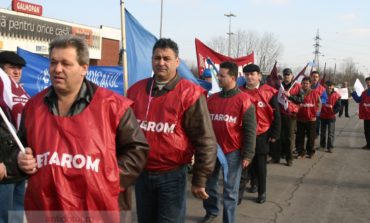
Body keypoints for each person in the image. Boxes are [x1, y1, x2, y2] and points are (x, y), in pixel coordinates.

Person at [17, 35, 149, 222]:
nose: (57, 69)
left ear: (84, 68)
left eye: (66, 63)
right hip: (46, 209)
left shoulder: (113, 106)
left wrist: (109, 180)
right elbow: (19, 148)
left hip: (96, 211)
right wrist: (21, 160)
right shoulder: (32, 107)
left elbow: (137, 149)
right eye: (53, 62)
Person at [127, 38, 217, 223]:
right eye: (157, 58)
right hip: (142, 175)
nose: (161, 63)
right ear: (151, 60)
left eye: (166, 58)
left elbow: (205, 140)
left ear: (177, 62)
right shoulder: (135, 91)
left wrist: (200, 179)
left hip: (172, 176)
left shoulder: (190, 93)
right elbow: (124, 134)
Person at [202, 61, 256, 223]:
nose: (218, 78)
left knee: (230, 190)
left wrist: (248, 154)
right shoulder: (212, 99)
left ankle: (228, 220)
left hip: (233, 151)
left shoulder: (244, 100)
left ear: (233, 77)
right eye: (218, 75)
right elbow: (204, 124)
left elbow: (250, 130)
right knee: (209, 185)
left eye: (221, 76)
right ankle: (211, 210)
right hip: (212, 150)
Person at [238, 64, 280, 205]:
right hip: (243, 134)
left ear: (259, 76)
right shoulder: (239, 92)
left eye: (253, 74)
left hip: (262, 133)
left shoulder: (268, 92)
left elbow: (276, 114)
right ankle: (245, 189)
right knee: (245, 165)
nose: (249, 77)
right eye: (247, 74)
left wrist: (275, 133)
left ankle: (262, 192)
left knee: (260, 165)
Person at [0, 51, 29, 223]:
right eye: (12, 68)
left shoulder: (22, 94)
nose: (17, 72)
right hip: (3, 170)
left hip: (19, 169)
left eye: (19, 68)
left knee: (16, 218)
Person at [277, 68, 303, 166]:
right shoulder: (280, 86)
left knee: (289, 137)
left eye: (288, 75)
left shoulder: (297, 86)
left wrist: (290, 96)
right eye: (285, 75)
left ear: (292, 75)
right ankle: (278, 156)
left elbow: (301, 99)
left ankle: (289, 158)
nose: (286, 77)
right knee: (279, 136)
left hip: (291, 114)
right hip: (280, 113)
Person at [295, 77, 321, 158]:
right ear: (301, 84)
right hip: (300, 119)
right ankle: (300, 152)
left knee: (311, 137)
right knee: (300, 137)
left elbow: (319, 103)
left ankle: (310, 152)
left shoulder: (315, 93)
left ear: (310, 84)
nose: (305, 85)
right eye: (304, 83)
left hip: (311, 119)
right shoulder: (298, 93)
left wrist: (316, 112)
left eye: (307, 83)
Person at [320, 81, 341, 153]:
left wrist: (333, 111)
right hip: (322, 116)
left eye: (330, 86)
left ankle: (330, 147)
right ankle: (322, 145)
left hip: (331, 117)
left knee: (330, 132)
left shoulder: (336, 95)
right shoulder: (322, 94)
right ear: (325, 86)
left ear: (333, 86)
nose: (329, 87)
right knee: (322, 132)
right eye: (327, 86)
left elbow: (339, 107)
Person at [352, 77, 370, 150]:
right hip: (366, 116)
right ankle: (368, 144)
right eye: (367, 82)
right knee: (367, 131)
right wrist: (353, 93)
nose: (368, 83)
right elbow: (358, 100)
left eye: (369, 82)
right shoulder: (364, 93)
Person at [310, 71, 328, 137]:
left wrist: (319, 101)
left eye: (316, 77)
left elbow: (325, 99)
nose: (315, 78)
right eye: (313, 76)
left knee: (315, 130)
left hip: (316, 112)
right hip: (306, 111)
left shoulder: (322, 89)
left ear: (318, 78)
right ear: (311, 77)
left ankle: (313, 143)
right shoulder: (306, 86)